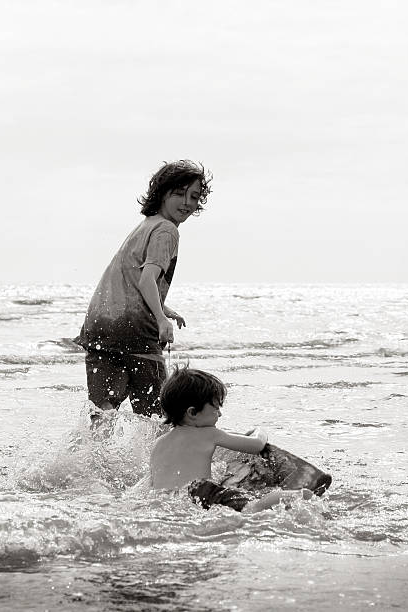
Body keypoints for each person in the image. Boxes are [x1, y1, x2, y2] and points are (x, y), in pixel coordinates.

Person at [75, 160, 212, 418]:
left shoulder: (146, 224)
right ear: (162, 193)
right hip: (133, 330)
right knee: (157, 412)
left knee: (104, 410)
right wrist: (160, 319)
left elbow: (131, 278)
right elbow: (147, 279)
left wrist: (163, 308)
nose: (187, 203)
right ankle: (162, 456)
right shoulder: (167, 230)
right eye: (179, 194)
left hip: (100, 326)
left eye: (194, 197)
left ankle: (94, 457)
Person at [150, 366, 313, 513]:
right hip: (199, 490)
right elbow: (257, 445)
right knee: (253, 507)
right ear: (192, 413)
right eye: (215, 408)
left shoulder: (158, 443)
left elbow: (153, 483)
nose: (219, 414)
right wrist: (259, 431)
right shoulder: (209, 433)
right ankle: (299, 495)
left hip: (167, 501)